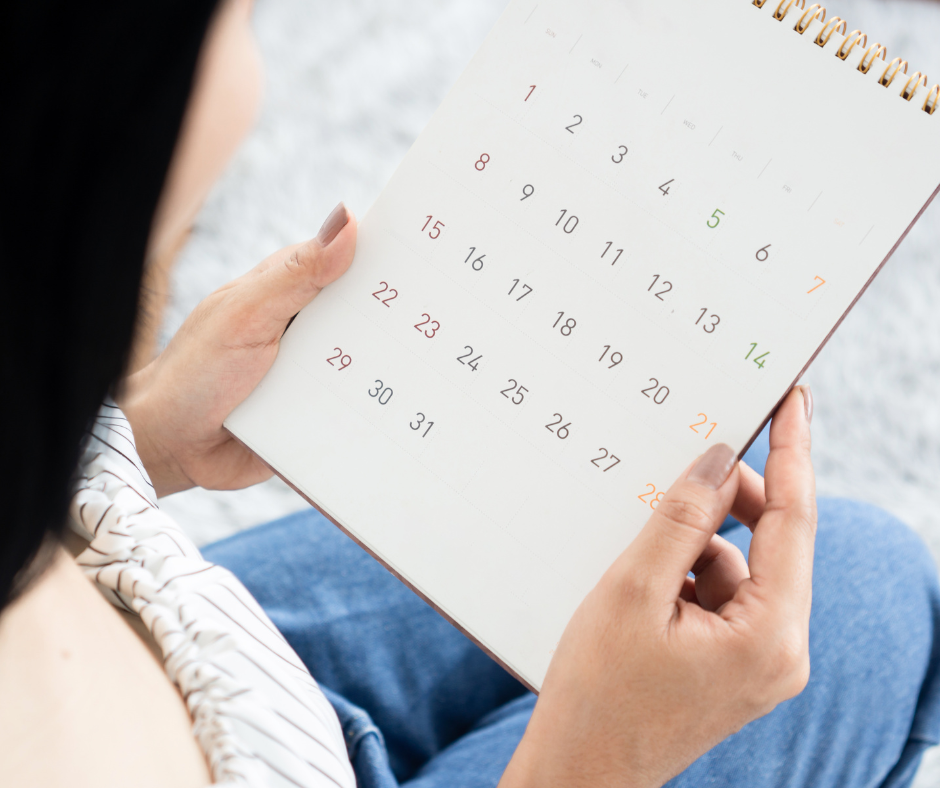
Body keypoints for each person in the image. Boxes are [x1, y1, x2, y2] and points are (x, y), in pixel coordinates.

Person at [2, 1, 938, 786]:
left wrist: (146, 437)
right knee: (867, 596)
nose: (250, 69)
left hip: (184, 632)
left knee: (707, 506)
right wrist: (595, 761)